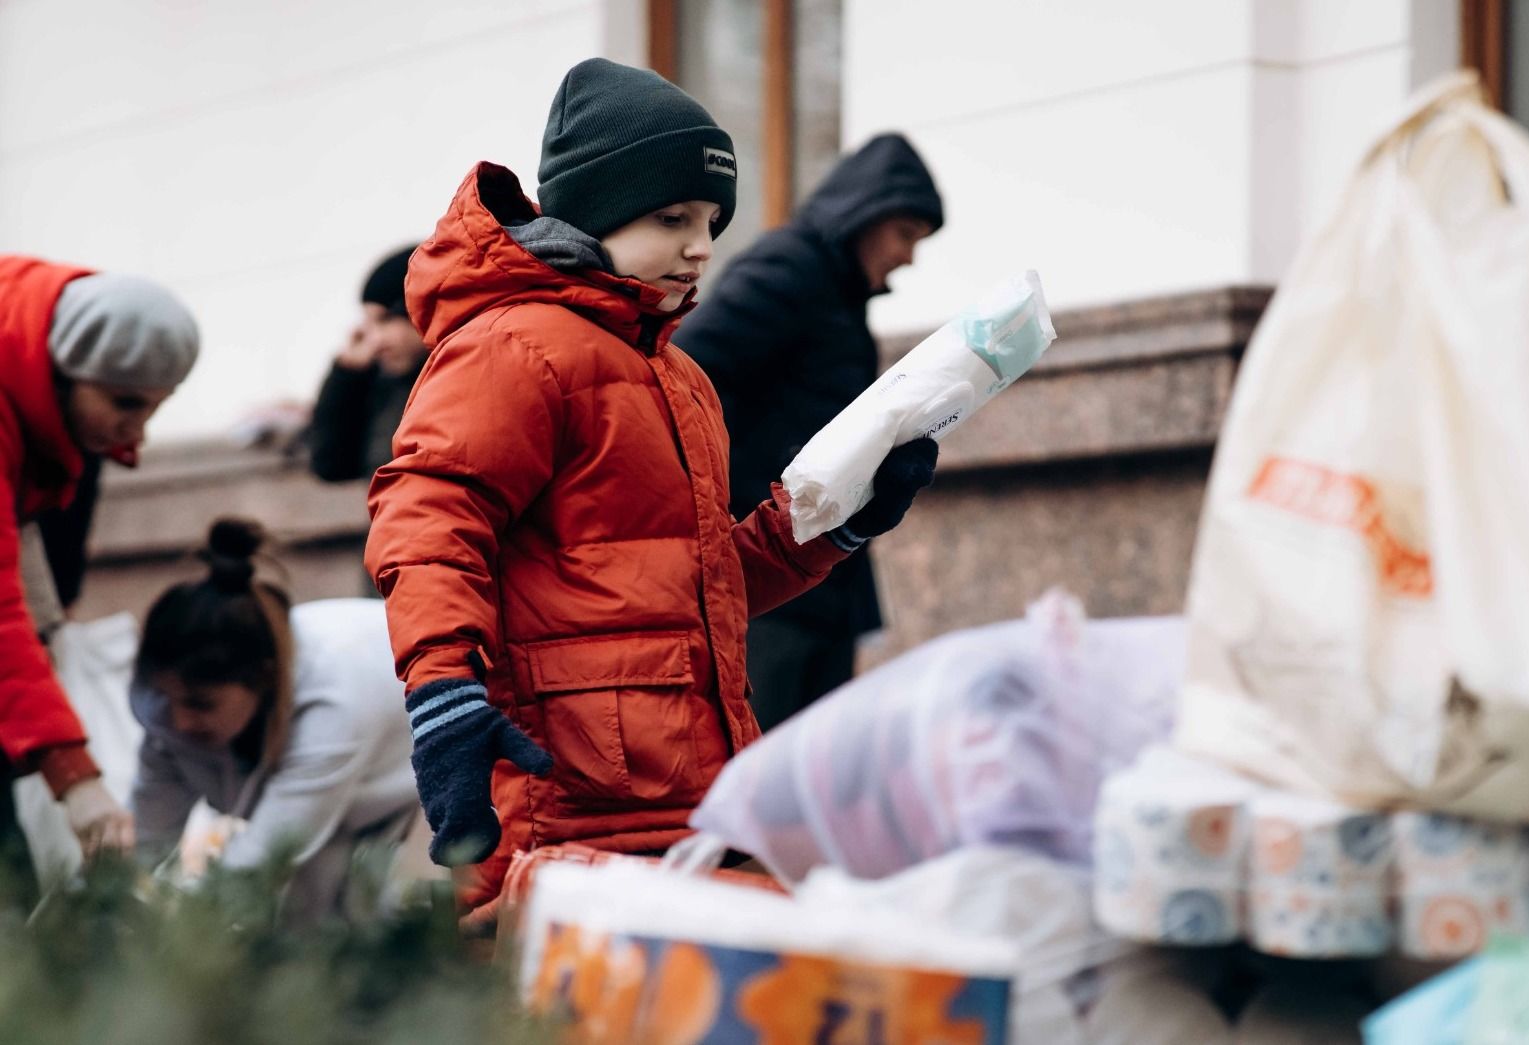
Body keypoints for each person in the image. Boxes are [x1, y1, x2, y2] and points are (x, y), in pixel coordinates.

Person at [364, 58, 939, 914]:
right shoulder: (515, 345)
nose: (701, 244)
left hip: (694, 799)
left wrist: (833, 523)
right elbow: (428, 519)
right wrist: (444, 695)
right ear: (596, 208)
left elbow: (702, 586)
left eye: (712, 219)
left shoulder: (676, 377)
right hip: (562, 806)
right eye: (672, 216)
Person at [677, 133, 943, 730]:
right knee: (767, 773)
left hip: (818, 571)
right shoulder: (790, 270)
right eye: (905, 234)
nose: (909, 256)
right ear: (865, 214)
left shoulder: (839, 295)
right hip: (769, 570)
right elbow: (691, 380)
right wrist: (768, 477)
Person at [0, 255, 200, 890]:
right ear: (64, 370)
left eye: (154, 408)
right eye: (123, 403)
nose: (133, 433)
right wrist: (75, 777)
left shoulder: (38, 349)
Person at [130, 519, 418, 923]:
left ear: (262, 678)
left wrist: (177, 931)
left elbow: (261, 861)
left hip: (426, 740)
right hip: (342, 751)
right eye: (167, 699)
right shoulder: (168, 715)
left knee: (333, 922)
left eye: (200, 704)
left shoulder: (335, 704)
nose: (179, 721)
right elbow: (144, 843)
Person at [305, 246, 427, 483]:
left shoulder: (461, 381)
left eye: (387, 320)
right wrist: (348, 374)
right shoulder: (386, 388)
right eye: (369, 325)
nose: (375, 340)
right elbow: (331, 465)